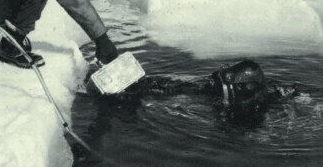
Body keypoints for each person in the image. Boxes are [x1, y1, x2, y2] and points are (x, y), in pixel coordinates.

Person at [87, 60, 298, 122]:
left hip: (192, 98)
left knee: (159, 91)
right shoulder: (261, 95)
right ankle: (136, 88)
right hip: (188, 92)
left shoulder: (257, 107)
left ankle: (133, 91)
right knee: (162, 87)